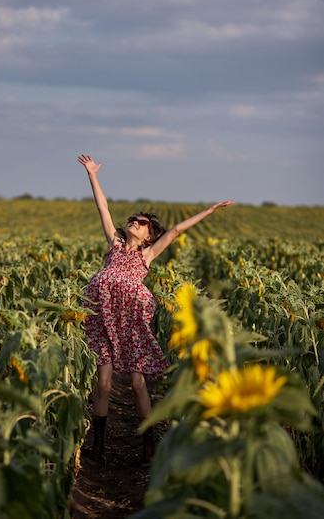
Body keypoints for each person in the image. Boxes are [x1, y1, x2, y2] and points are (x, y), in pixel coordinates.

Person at [78, 154, 234, 463]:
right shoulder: (115, 244)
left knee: (137, 385)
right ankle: (98, 445)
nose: (134, 223)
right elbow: (103, 208)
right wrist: (92, 175)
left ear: (150, 234)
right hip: (104, 315)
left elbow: (177, 229)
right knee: (104, 383)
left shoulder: (147, 255)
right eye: (133, 220)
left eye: (142, 222)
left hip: (131, 320)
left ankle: (148, 444)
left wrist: (209, 210)